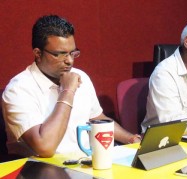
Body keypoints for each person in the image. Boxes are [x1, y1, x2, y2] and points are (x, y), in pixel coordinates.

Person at [2, 15, 141, 158]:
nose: (69, 61)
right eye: (60, 54)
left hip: (85, 162)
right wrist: (67, 91)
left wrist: (131, 139)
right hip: (42, 169)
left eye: (72, 53)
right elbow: (45, 147)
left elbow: (97, 118)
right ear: (38, 53)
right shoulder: (18, 90)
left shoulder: (80, 76)